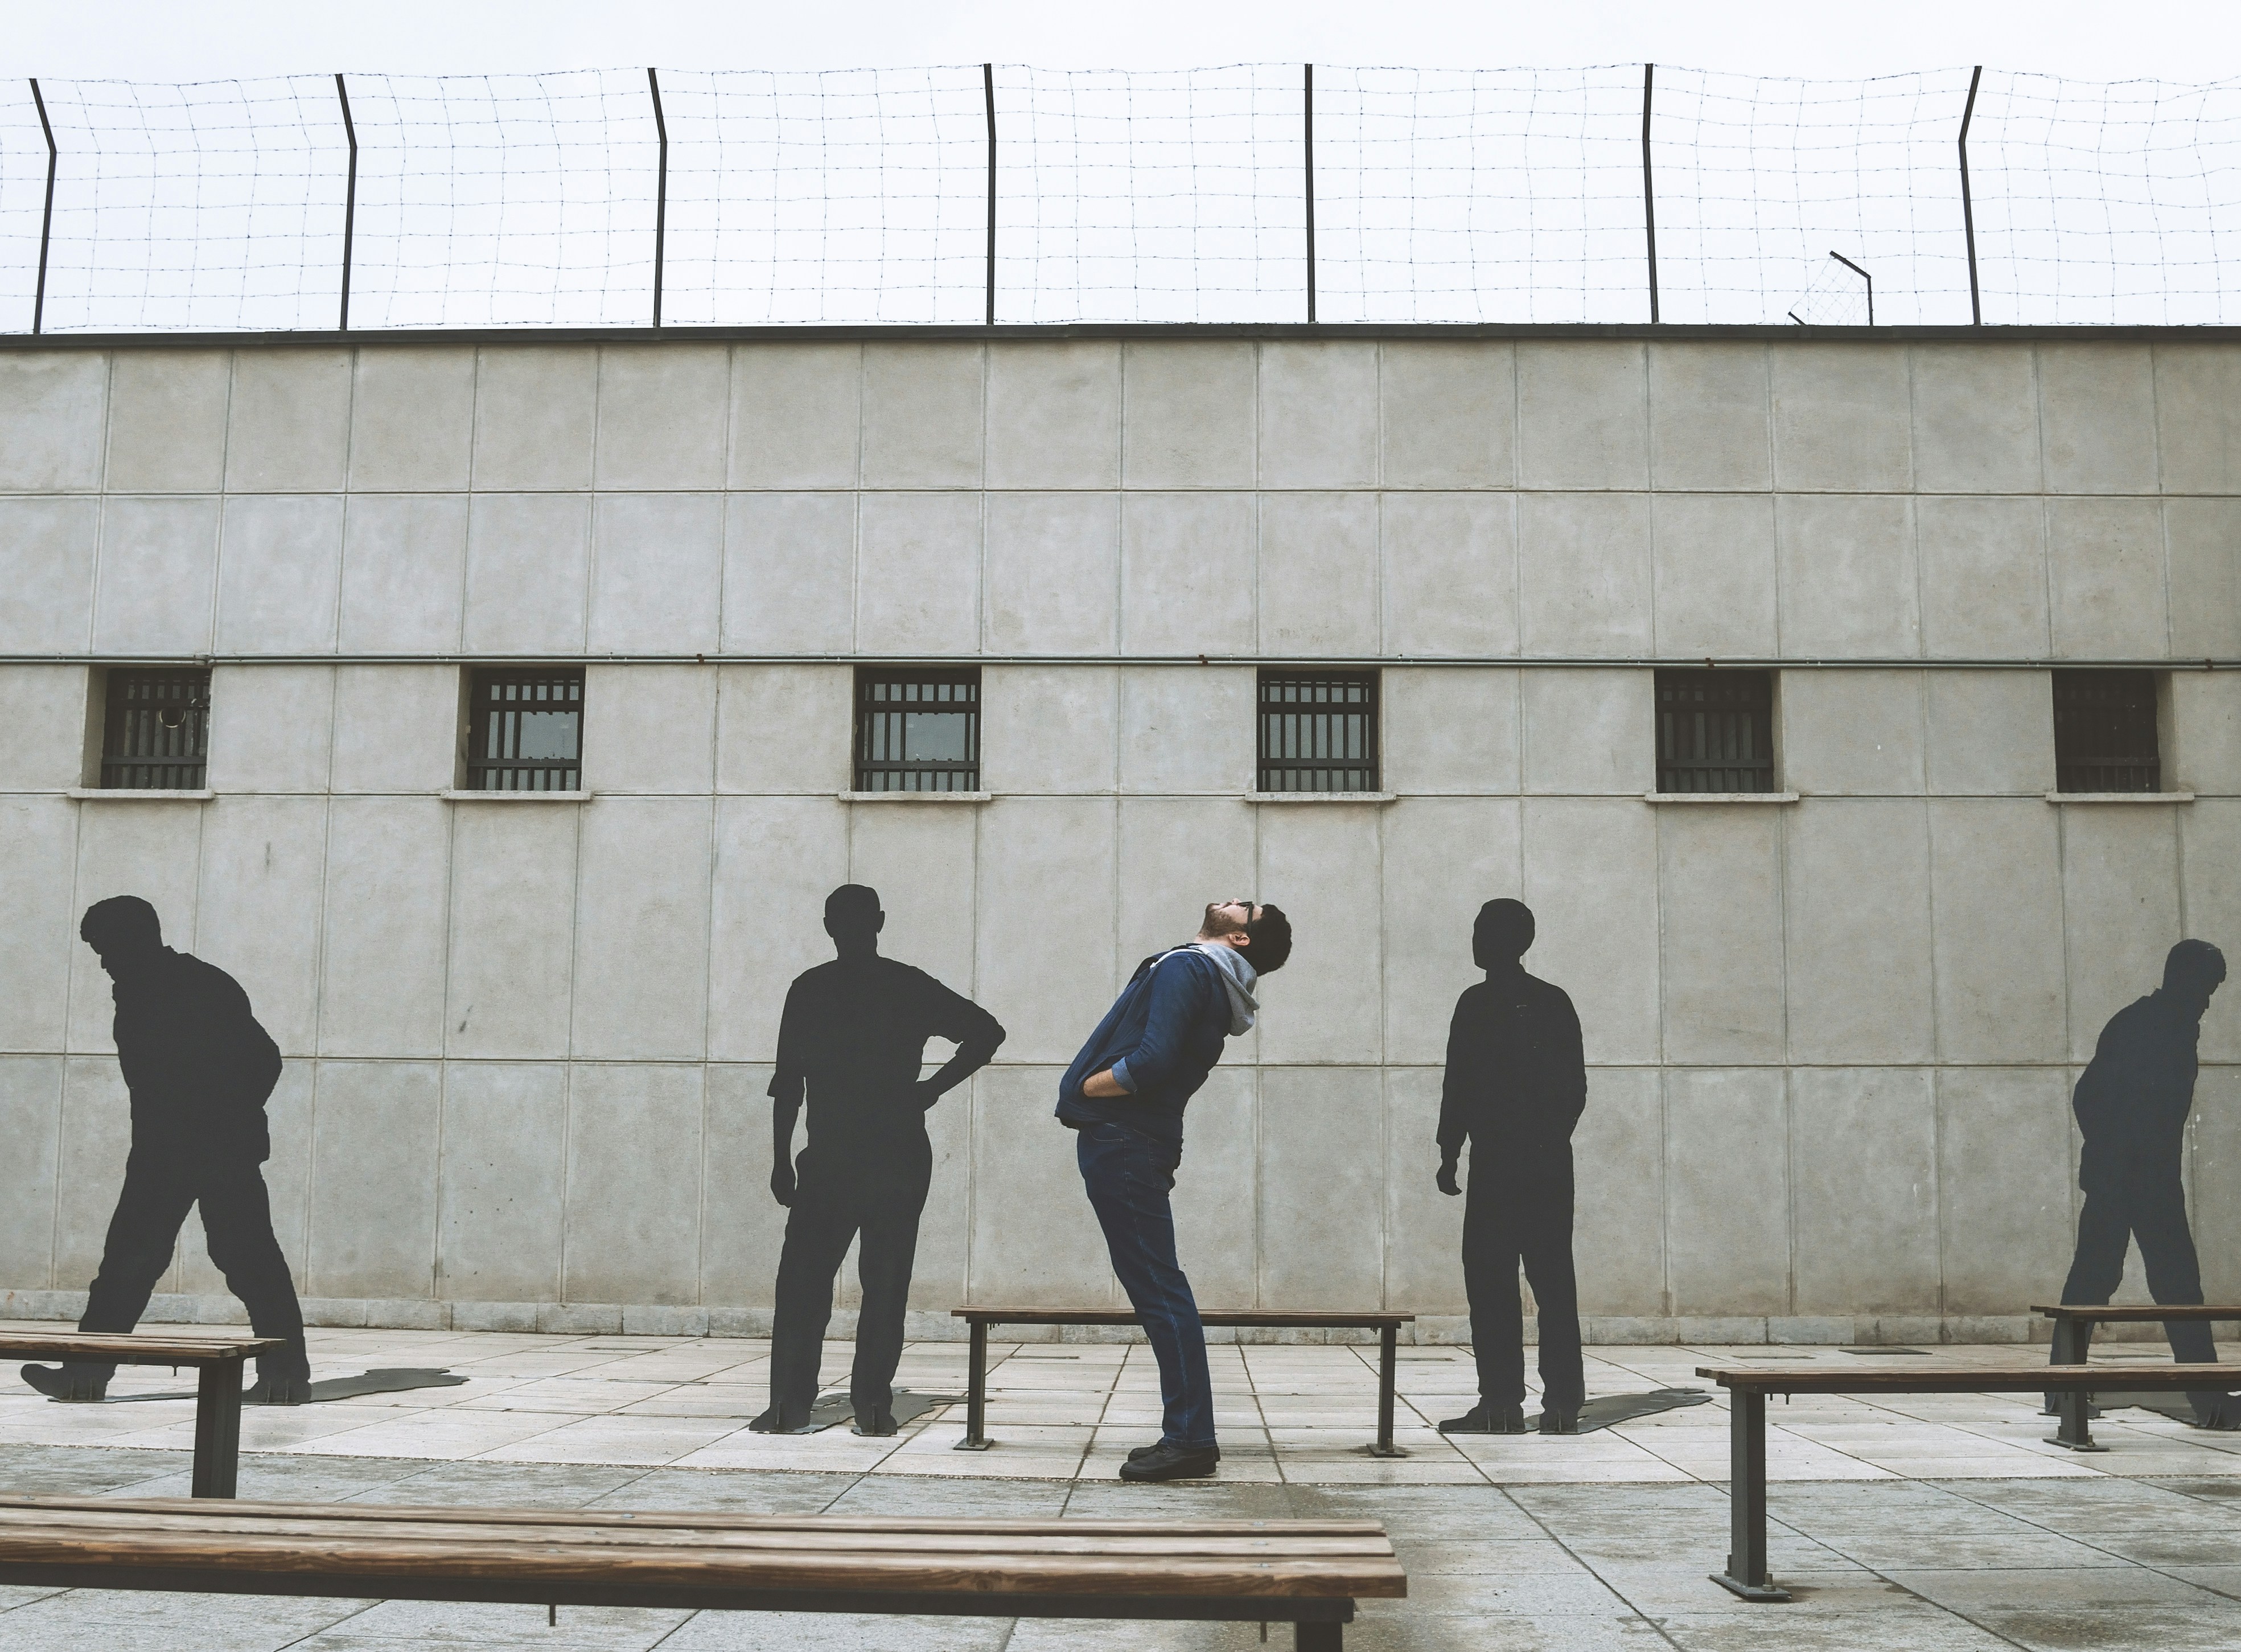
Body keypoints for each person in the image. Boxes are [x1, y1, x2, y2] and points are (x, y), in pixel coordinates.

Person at [21, 897, 312, 1406]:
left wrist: (219, 1119)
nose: (105, 962)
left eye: (107, 949)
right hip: (174, 1150)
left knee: (234, 1258)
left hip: (201, 1150)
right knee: (140, 1262)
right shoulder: (150, 988)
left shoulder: (197, 985)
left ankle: (283, 1376)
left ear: (135, 940)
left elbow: (262, 1060)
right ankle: (83, 1375)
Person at [753, 885, 1004, 1437]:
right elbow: (986, 1033)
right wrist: (929, 1089)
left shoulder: (811, 989)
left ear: (828, 926)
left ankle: (791, 1403)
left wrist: (780, 1159)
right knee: (884, 1282)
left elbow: (788, 1084)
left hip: (835, 1155)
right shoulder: (905, 985)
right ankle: (870, 1405)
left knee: (803, 1284)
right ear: (880, 922)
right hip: (895, 1152)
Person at [1057, 897, 1292, 1482]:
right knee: (1160, 1287)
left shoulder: (1190, 968)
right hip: (1137, 1141)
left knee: (1161, 1290)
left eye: (1248, 908)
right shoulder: (1206, 976)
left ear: (1238, 939)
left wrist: (1090, 1086)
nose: (1235, 899)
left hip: (1124, 1140)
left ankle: (1190, 1437)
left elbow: (1153, 1058)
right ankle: (1188, 1433)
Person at [2056, 939, 2236, 1428]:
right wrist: (2123, 1154)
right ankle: (2064, 1392)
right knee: (2112, 1280)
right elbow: (2088, 1096)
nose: (2206, 1001)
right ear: (2182, 979)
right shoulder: (2141, 1025)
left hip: (2143, 1176)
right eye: (2205, 988)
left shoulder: (2171, 1026)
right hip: (2130, 1177)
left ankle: (2065, 1390)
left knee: (2144, 1282)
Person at [1434, 898, 1587, 1436]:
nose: (1475, 940)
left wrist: (1450, 1149)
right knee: (1552, 1281)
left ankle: (1500, 1403)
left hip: (1496, 1164)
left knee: (1492, 1283)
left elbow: (1459, 1085)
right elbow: (1575, 1088)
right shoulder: (1553, 1002)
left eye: (1481, 931)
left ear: (1504, 941)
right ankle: (1563, 1405)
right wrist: (1546, 1140)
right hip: (1547, 1164)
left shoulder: (1475, 1004)